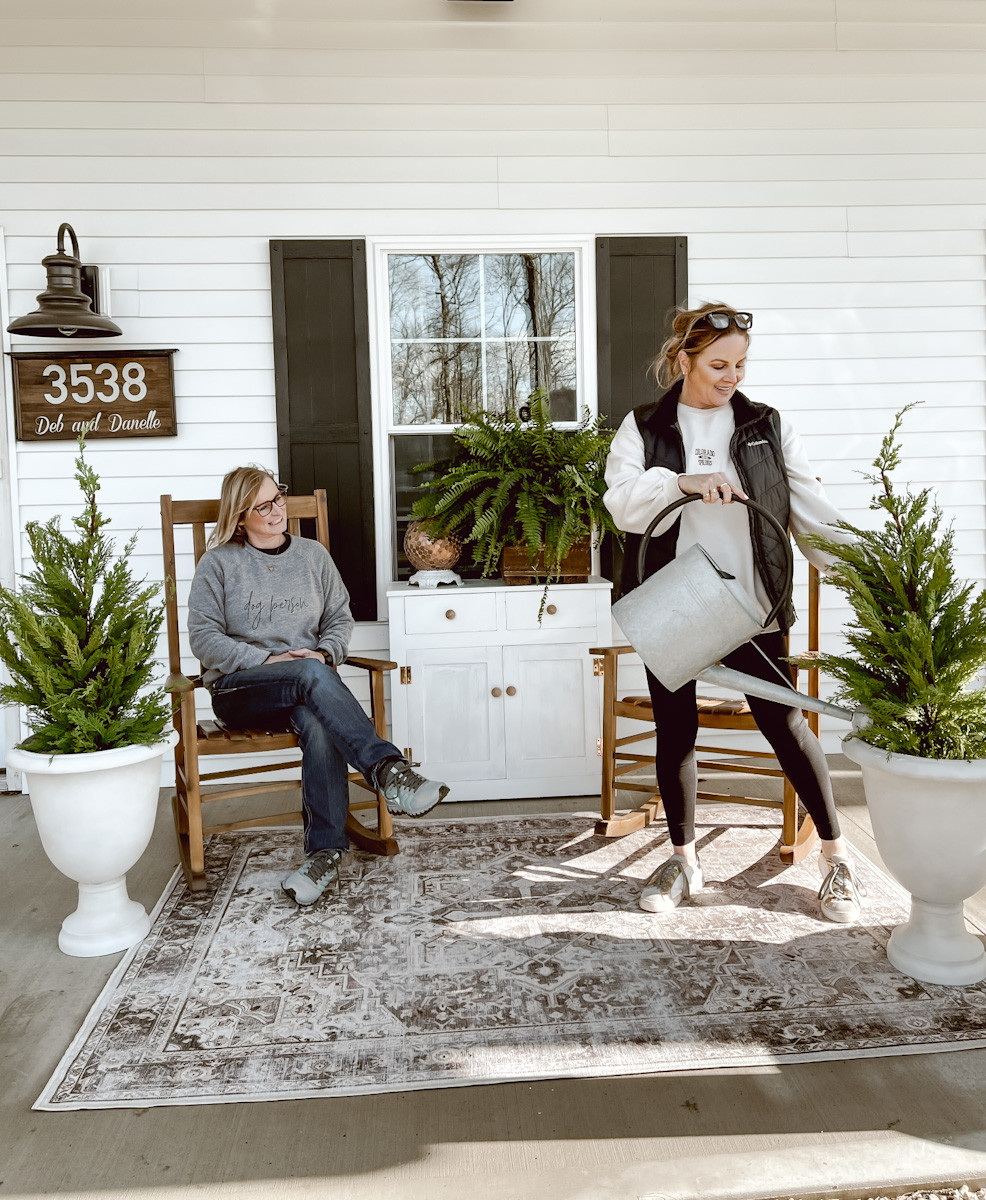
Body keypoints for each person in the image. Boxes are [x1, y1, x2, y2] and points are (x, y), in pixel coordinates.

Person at [603, 302, 861, 924]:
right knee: (676, 728)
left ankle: (836, 857)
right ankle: (683, 860)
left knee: (785, 722)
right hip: (677, 601)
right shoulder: (644, 427)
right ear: (683, 361)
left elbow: (809, 511)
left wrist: (863, 571)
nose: (732, 376)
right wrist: (681, 482)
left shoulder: (766, 425)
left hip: (752, 600)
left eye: (741, 364)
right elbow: (622, 504)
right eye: (719, 364)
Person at [187, 466, 450, 907]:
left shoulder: (313, 556)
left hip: (308, 687)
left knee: (319, 721)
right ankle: (388, 771)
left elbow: (339, 619)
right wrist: (267, 660)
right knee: (310, 675)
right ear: (239, 518)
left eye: (278, 497)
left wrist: (325, 653)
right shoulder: (218, 564)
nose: (277, 510)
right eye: (262, 506)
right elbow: (204, 638)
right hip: (242, 690)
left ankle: (324, 855)